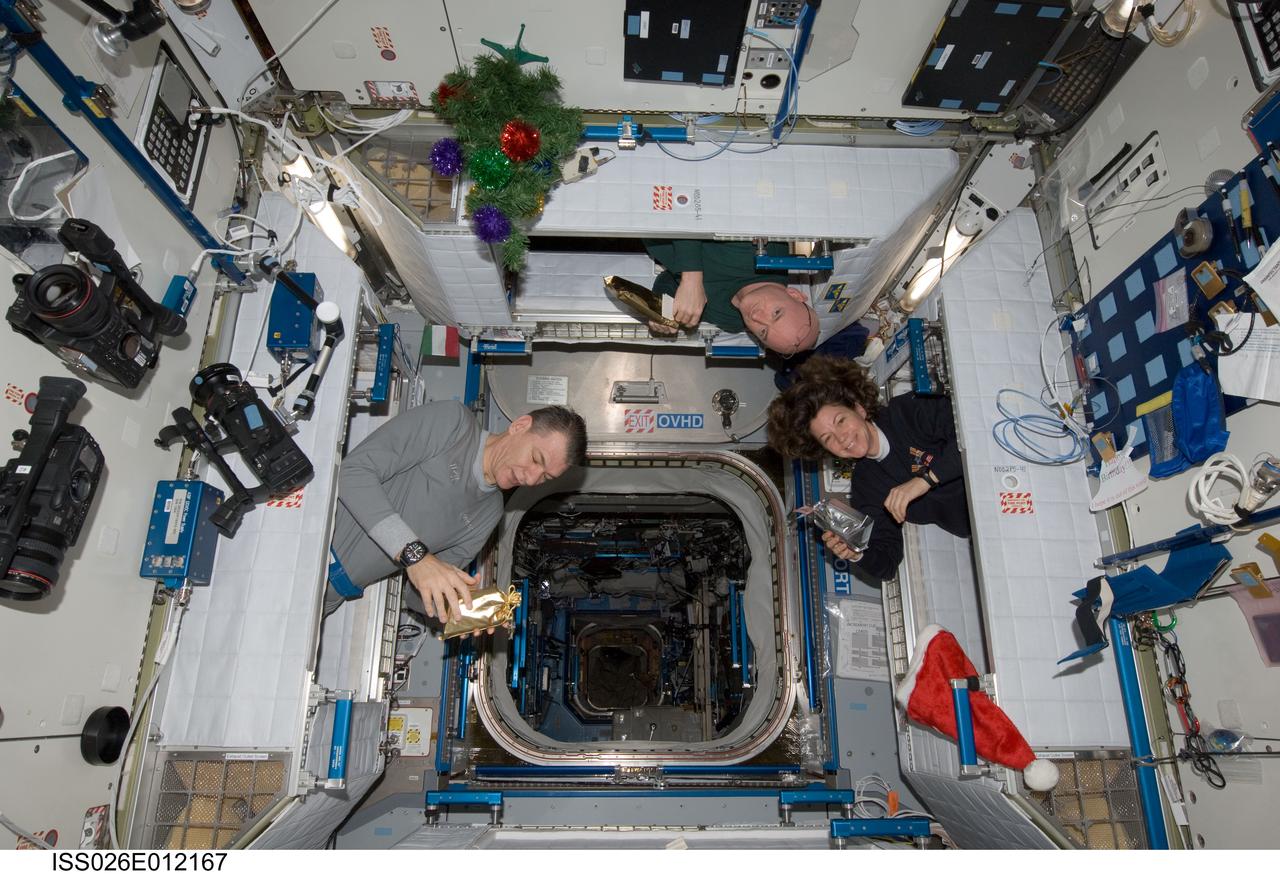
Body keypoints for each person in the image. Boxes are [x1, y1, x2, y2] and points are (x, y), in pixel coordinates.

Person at [325, 402, 588, 621]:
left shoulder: (490, 513)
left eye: (545, 477)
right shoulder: (454, 426)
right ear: (519, 426)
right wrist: (415, 556)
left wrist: (462, 612)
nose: (531, 479)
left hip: (330, 597)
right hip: (312, 549)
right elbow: (354, 472)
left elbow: (417, 597)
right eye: (535, 459)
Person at [766, 356, 969, 582]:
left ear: (859, 409)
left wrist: (925, 480)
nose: (842, 438)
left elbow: (970, 431)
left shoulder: (906, 413)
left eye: (840, 421)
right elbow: (887, 563)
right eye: (828, 438)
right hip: (983, 527)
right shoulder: (866, 485)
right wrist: (856, 553)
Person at [643, 239, 822, 356]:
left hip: (638, 232)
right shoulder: (763, 250)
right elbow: (689, 202)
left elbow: (669, 279)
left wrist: (661, 309)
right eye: (776, 313)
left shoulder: (732, 321)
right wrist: (692, 276)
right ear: (794, 294)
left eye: (763, 332)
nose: (756, 317)